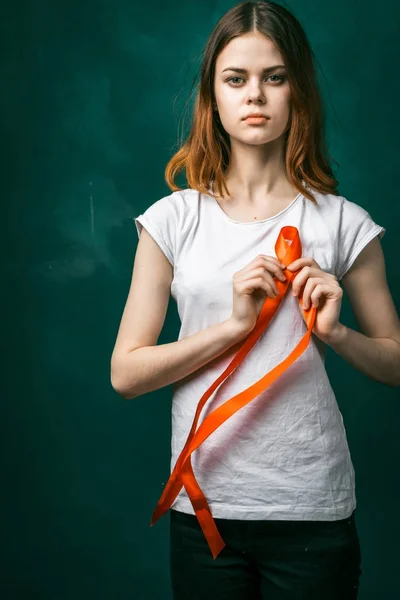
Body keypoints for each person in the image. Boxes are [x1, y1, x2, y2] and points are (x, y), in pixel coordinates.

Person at [111, 1, 400, 598]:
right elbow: (126, 374)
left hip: (312, 512)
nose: (256, 96)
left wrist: (336, 335)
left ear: (298, 91)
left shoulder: (345, 223)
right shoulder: (172, 220)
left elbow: (396, 363)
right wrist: (233, 326)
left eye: (275, 77)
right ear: (212, 95)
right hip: (206, 510)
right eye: (236, 79)